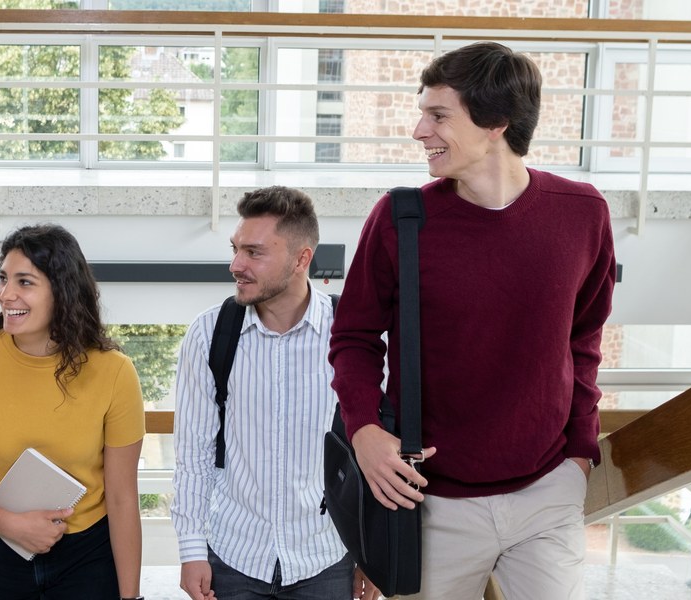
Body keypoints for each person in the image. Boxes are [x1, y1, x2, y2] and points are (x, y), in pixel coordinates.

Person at [329, 41, 617, 600]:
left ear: (496, 124)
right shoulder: (400, 219)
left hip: (548, 493)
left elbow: (584, 337)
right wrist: (364, 430)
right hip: (430, 502)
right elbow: (354, 337)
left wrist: (580, 451)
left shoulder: (584, 214)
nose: (419, 131)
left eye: (438, 115)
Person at [172, 186, 378, 600]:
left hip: (326, 554)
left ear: (302, 259)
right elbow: (193, 453)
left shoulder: (354, 337)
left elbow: (377, 453)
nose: (236, 265)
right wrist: (191, 550)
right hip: (234, 555)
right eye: (236, 249)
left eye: (254, 252)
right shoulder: (209, 334)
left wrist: (373, 551)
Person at [0, 224, 146, 600]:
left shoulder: (115, 372)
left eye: (24, 282)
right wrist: (11, 525)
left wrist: (131, 597)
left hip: (87, 558)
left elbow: (122, 498)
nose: (5, 294)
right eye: (3, 278)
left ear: (63, 291)